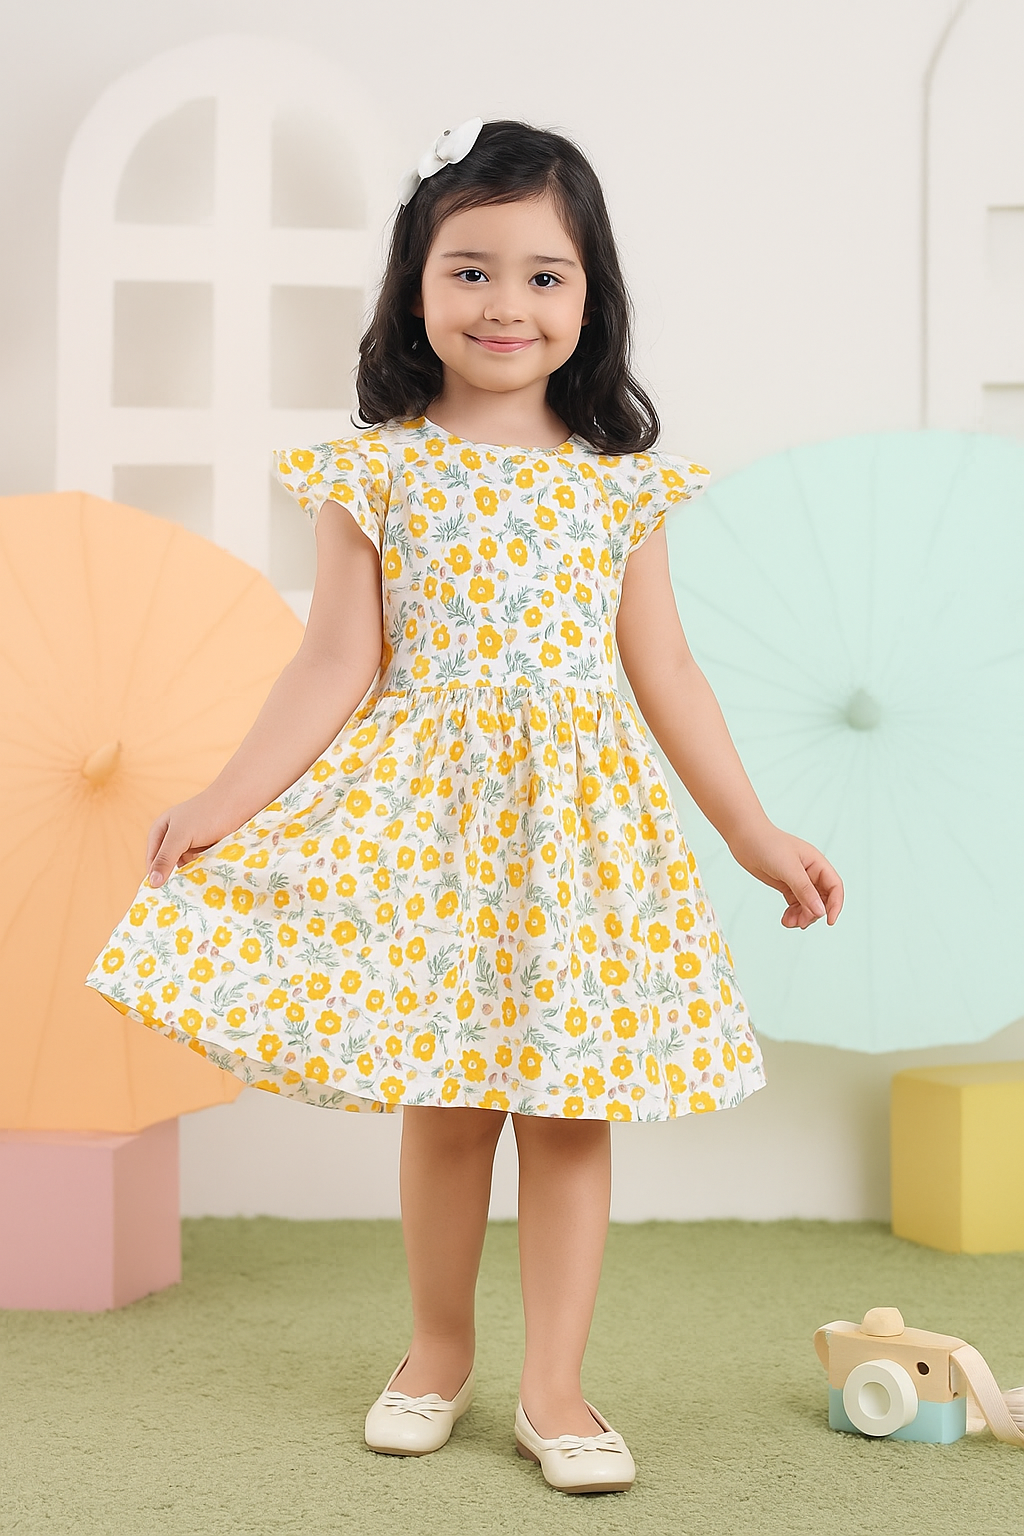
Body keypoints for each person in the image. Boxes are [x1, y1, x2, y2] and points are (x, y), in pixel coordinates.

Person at [86, 117, 843, 1495]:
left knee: (565, 1110)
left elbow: (664, 667)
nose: (508, 304)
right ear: (415, 291)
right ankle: (436, 1351)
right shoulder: (377, 470)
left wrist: (751, 828)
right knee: (443, 1104)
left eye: (546, 275)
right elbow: (332, 663)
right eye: (472, 271)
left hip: (578, 839)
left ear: (592, 297)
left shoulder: (619, 488)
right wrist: (222, 801)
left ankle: (555, 1384)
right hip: (425, 833)